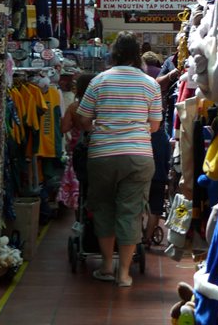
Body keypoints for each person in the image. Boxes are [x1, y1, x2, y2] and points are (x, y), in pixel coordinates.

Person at [77, 31, 161, 288]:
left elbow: (83, 120)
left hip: (103, 155)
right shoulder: (150, 84)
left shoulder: (99, 81)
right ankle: (124, 273)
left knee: (103, 208)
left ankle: (105, 266)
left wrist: (102, 129)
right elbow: (155, 126)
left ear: (114, 53)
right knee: (131, 211)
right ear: (137, 55)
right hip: (138, 156)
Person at [58, 72, 95, 211]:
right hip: (96, 147)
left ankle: (79, 217)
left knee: (79, 182)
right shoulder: (98, 106)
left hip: (78, 149)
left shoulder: (74, 107)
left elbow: (64, 128)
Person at [143, 121, 170, 247]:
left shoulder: (144, 135)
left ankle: (136, 238)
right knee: (155, 209)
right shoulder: (164, 138)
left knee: (137, 207)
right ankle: (147, 239)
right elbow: (167, 160)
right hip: (159, 177)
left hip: (143, 177)